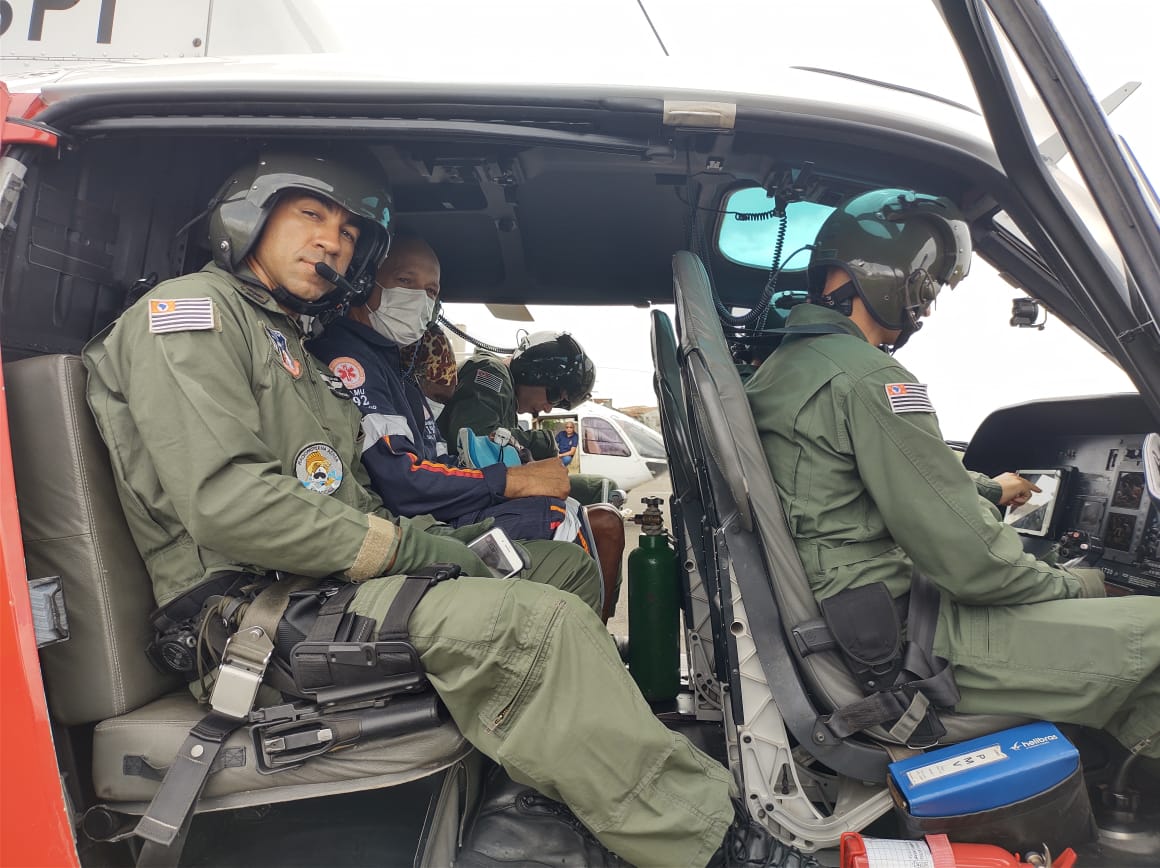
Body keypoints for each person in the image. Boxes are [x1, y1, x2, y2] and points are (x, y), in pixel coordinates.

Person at [83, 149, 791, 868]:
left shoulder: (286, 343)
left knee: (556, 571)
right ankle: (713, 842)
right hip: (250, 616)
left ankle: (555, 780)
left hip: (317, 589)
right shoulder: (189, 319)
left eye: (350, 232)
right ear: (249, 215)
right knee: (534, 624)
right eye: (310, 215)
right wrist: (413, 548)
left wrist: (442, 539)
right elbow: (231, 506)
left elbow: (344, 494)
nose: (332, 241)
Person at [746, 187, 1160, 764]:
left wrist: (990, 490)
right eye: (930, 290)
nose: (928, 309)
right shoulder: (873, 381)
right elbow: (976, 564)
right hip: (895, 643)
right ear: (902, 283)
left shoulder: (781, 371)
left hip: (844, 619)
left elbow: (854, 490)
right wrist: (1080, 584)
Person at [307, 234, 617, 612]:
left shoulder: (395, 371)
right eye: (406, 281)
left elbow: (441, 458)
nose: (420, 299)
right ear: (364, 281)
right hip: (400, 533)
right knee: (562, 525)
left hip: (427, 518)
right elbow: (403, 481)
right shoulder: (349, 361)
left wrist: (515, 480)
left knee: (564, 513)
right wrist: (509, 479)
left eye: (431, 290)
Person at [437, 332, 620, 506]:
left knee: (601, 488)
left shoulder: (505, 394)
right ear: (533, 372)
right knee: (598, 489)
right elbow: (472, 440)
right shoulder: (492, 372)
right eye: (554, 397)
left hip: (482, 490)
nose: (547, 409)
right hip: (464, 492)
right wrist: (541, 442)